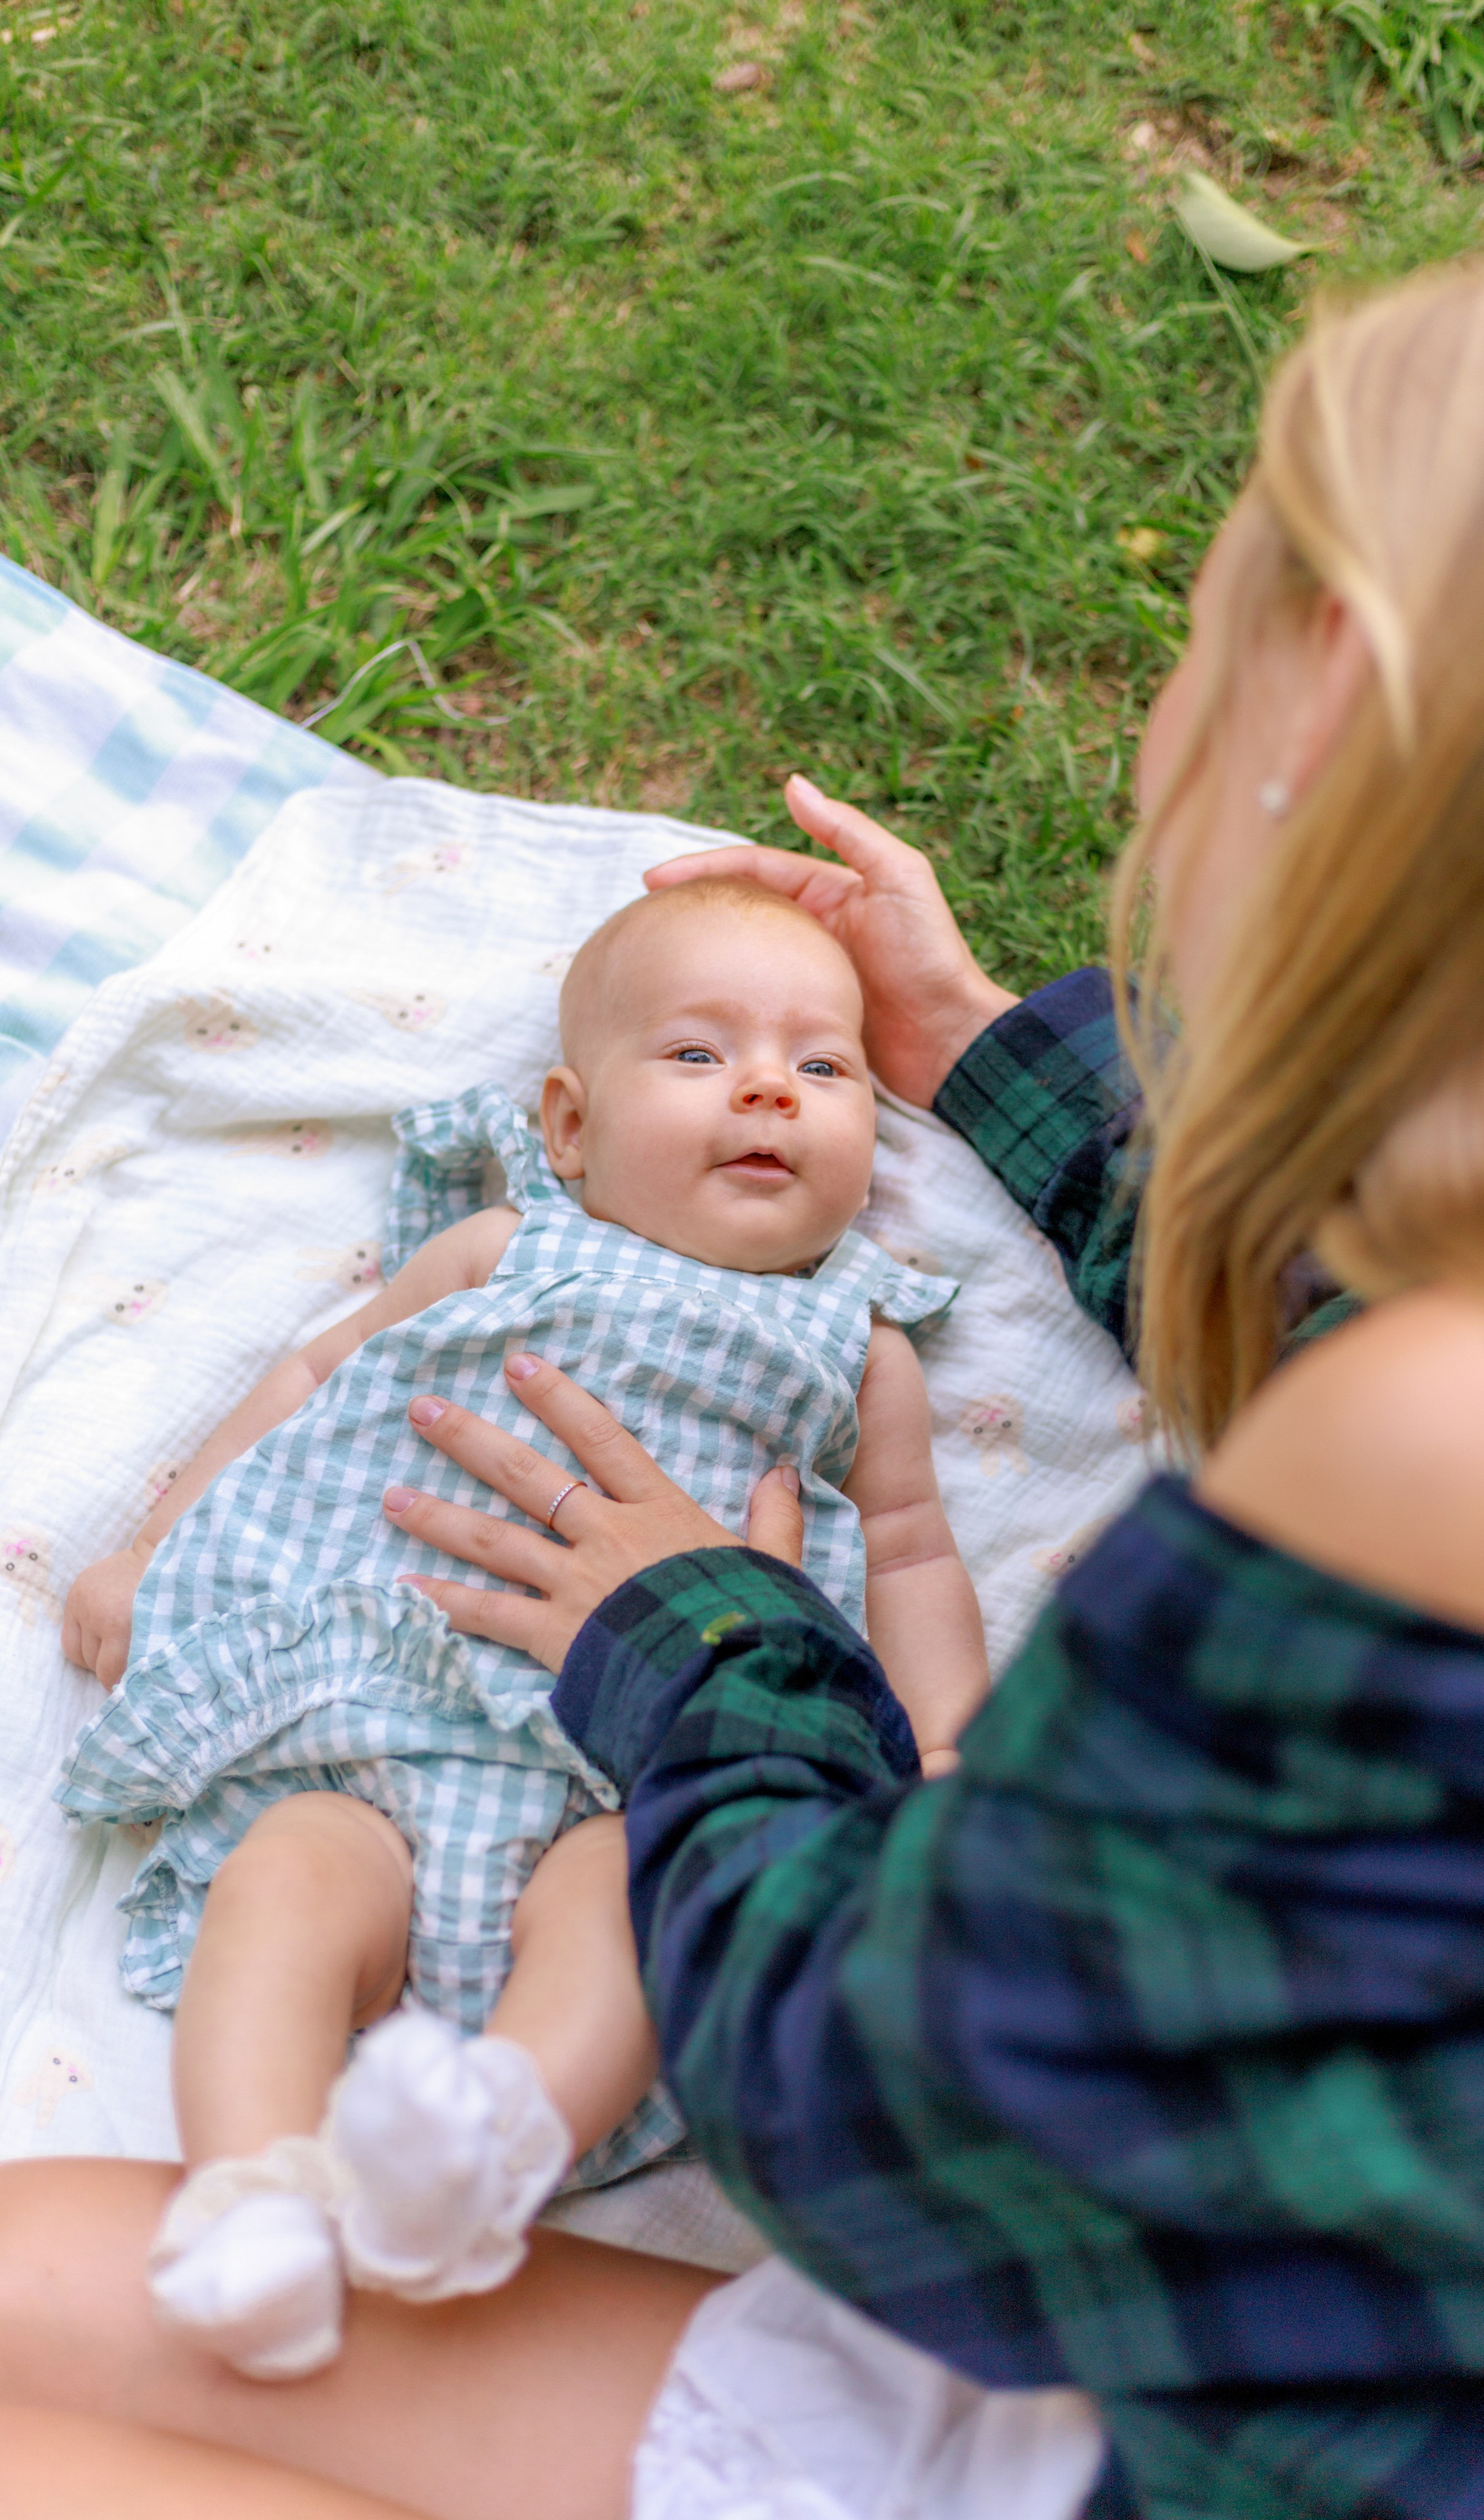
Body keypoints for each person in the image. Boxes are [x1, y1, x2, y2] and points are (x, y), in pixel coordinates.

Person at [7, 240, 1484, 2519]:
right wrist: (985, 1045)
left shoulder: (1472, 1437)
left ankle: (456, 2136)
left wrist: (696, 1637)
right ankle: (271, 2186)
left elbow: (904, 2130)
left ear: (1322, 694)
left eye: (1193, 639)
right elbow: (1319, 1294)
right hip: (1294, 2345)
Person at [51, 880, 987, 2382]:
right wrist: (151, 1546)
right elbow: (311, 1387)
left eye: (824, 1070)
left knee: (629, 1910)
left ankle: (487, 2152)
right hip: (381, 1704)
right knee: (285, 1887)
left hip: (639, 1760)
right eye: (696, 1055)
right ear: (566, 1128)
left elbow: (910, 1550)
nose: (766, 1085)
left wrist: (945, 1746)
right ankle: (252, 2200)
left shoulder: (857, 1341)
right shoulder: (502, 1248)